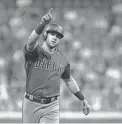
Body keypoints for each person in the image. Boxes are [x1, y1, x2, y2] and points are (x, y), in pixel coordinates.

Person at [22, 8, 91, 123]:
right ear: (45, 35)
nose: (55, 37)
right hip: (30, 104)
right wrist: (42, 24)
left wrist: (82, 99)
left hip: (51, 106)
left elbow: (69, 80)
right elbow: (30, 42)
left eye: (58, 36)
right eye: (52, 34)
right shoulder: (35, 52)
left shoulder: (62, 60)